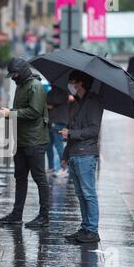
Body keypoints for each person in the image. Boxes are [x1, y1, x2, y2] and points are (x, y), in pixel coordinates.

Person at [0, 58, 50, 228]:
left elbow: (34, 112)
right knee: (20, 177)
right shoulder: (21, 85)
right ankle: (16, 214)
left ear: (23, 71)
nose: (13, 77)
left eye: (15, 74)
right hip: (21, 140)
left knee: (39, 178)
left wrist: (10, 113)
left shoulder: (35, 86)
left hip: (34, 141)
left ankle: (44, 216)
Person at [61, 70, 104, 244]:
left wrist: (70, 133)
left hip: (86, 154)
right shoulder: (78, 102)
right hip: (75, 154)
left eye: (72, 82)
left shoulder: (93, 102)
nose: (69, 85)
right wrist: (65, 154)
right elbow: (72, 127)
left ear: (80, 83)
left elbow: (94, 130)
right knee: (80, 194)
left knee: (88, 194)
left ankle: (92, 230)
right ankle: (85, 227)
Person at [46, 86, 70, 177]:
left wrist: (49, 103)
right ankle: (51, 167)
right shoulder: (51, 91)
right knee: (48, 145)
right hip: (50, 122)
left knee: (59, 146)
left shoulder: (63, 92)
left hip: (59, 123)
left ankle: (64, 168)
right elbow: (46, 101)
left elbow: (54, 100)